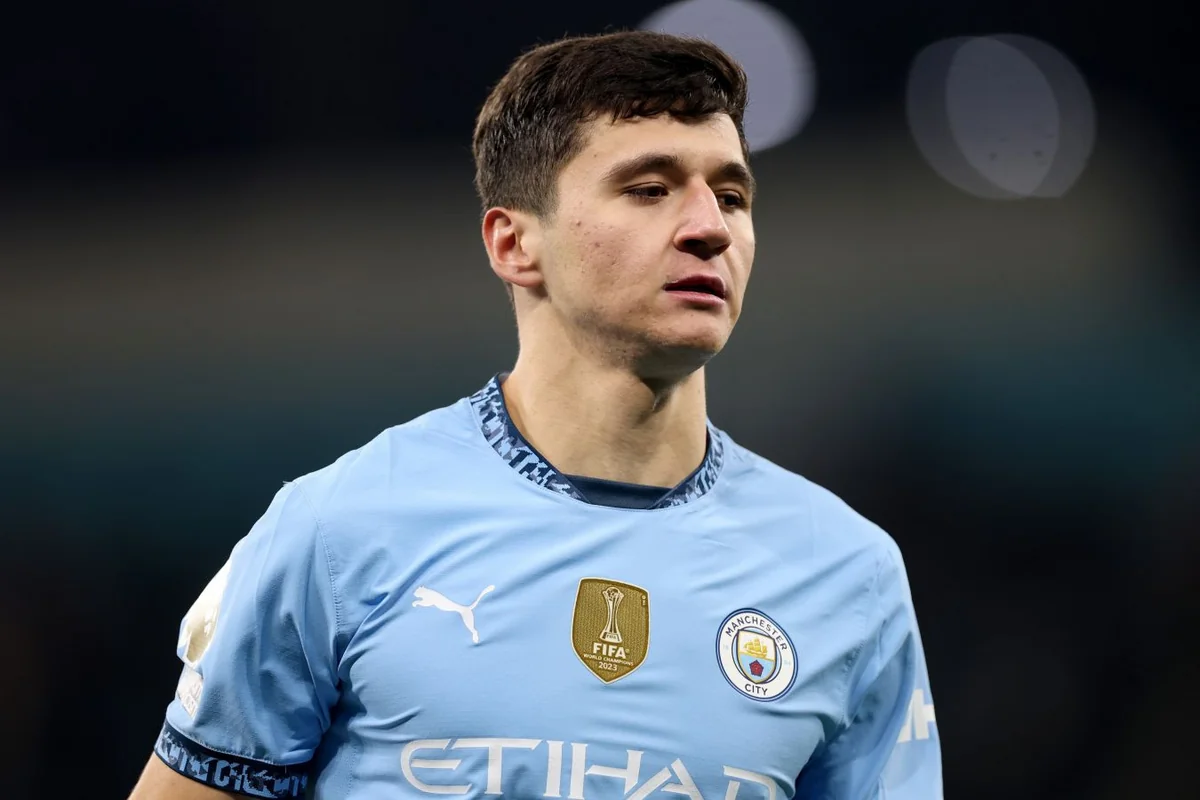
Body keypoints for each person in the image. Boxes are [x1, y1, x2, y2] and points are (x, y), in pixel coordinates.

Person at [128, 30, 943, 800]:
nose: (709, 229)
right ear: (514, 245)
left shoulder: (847, 572)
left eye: (731, 196)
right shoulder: (337, 532)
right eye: (649, 189)